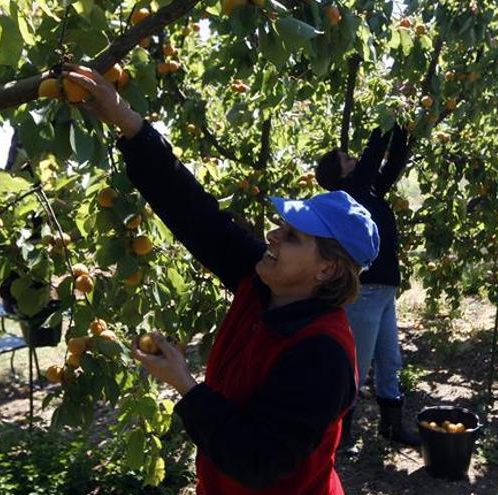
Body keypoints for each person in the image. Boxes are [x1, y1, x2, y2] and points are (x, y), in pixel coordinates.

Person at [63, 65, 380, 495]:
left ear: (327, 269)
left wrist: (186, 386)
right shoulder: (264, 285)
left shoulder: (322, 353)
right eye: (280, 226)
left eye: (291, 236)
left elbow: (258, 460)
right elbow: (197, 215)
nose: (272, 235)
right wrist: (129, 123)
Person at [314, 124, 419, 453]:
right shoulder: (349, 194)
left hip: (384, 291)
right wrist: (384, 121)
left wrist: (400, 128)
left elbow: (393, 163)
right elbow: (374, 157)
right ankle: (339, 435)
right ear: (338, 173)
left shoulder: (370, 191)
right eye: (345, 159)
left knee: (390, 360)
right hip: (366, 292)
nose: (353, 158)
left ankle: (391, 427)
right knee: (355, 367)